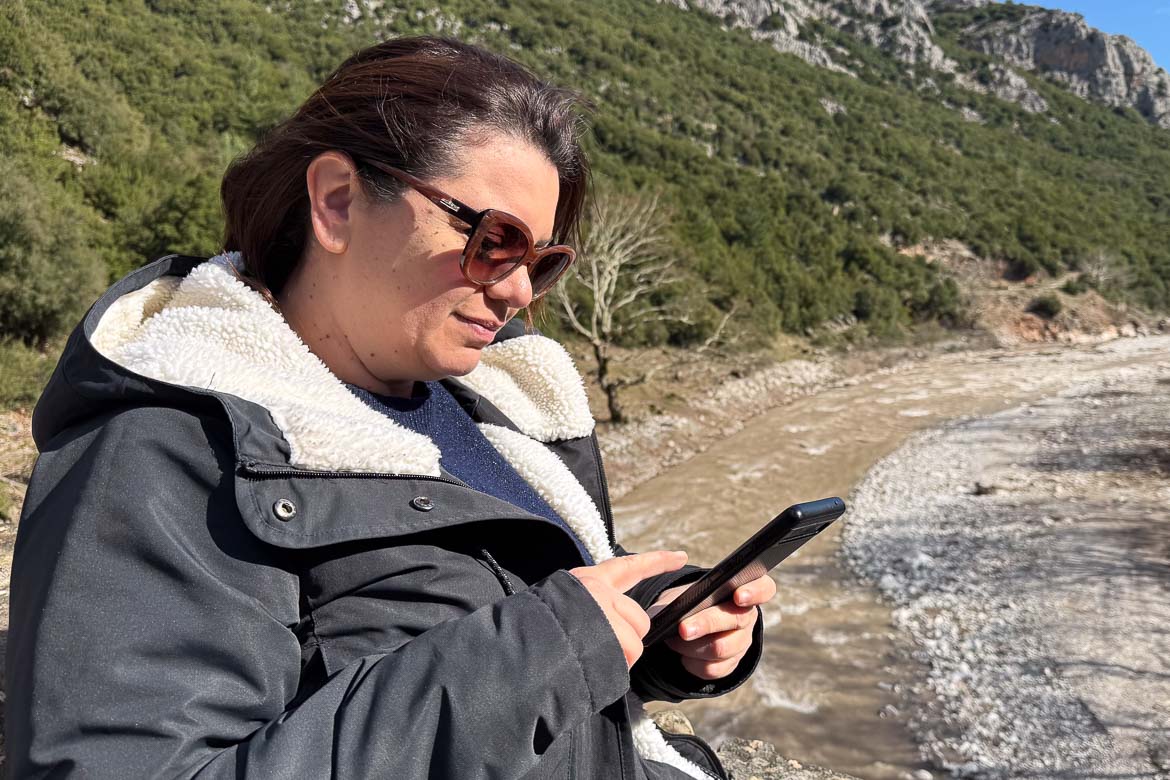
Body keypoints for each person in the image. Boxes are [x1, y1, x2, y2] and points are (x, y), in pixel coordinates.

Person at [6, 36, 777, 779]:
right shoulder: (163, 454)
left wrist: (662, 628)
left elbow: (533, 647)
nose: (515, 291)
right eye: (494, 239)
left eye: (540, 262)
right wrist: (544, 652)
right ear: (337, 203)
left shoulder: (497, 415)